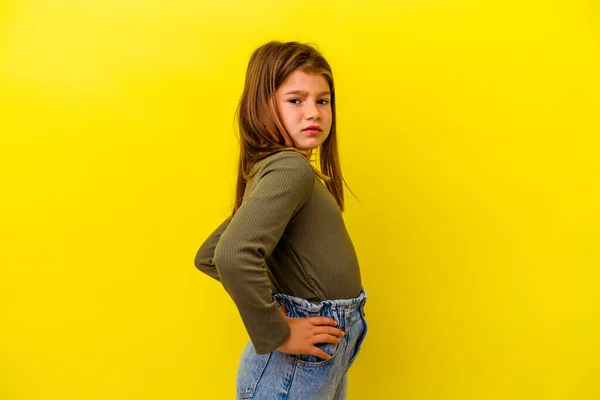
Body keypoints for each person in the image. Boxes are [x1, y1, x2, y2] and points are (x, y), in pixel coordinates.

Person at [194, 40, 368, 399]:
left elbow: (211, 253)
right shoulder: (290, 168)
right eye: (295, 100)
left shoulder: (287, 171)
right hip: (295, 366)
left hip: (315, 358)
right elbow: (229, 255)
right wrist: (280, 330)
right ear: (263, 107)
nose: (314, 113)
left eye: (322, 100)